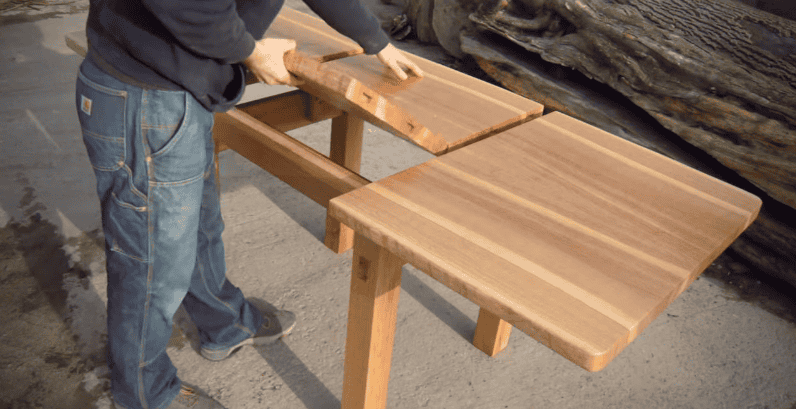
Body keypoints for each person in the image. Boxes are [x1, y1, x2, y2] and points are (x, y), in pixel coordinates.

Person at [74, 0, 423, 408]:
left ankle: (224, 322)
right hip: (146, 93)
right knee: (152, 264)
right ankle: (144, 395)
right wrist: (250, 51)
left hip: (180, 87)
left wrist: (373, 39)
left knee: (199, 223)